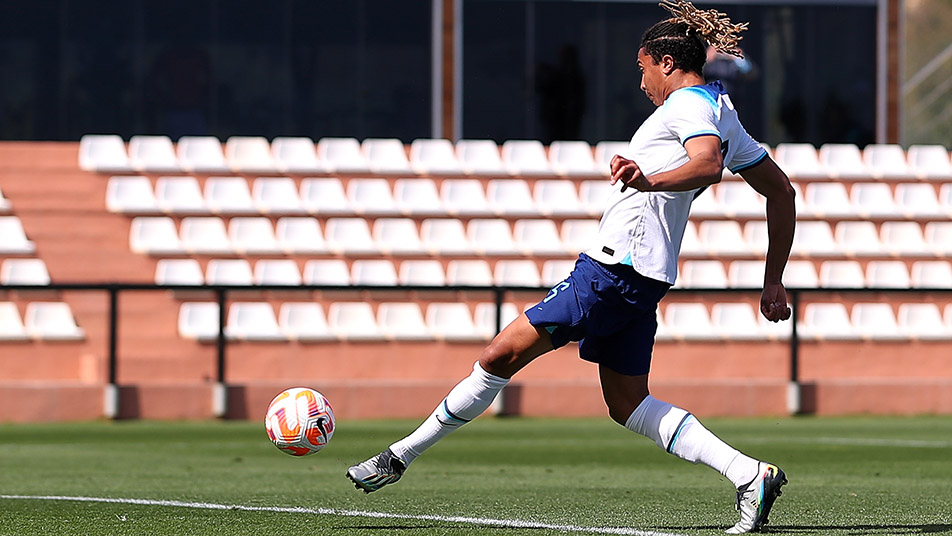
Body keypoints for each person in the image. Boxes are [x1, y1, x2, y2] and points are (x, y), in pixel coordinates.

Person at [346, 0, 796, 533]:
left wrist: (648, 180)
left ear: (665, 63)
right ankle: (748, 475)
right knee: (627, 403)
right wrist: (773, 278)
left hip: (614, 270)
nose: (643, 82)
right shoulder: (723, 110)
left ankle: (398, 456)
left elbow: (707, 165)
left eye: (643, 69)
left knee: (498, 355)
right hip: (643, 278)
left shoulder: (686, 108)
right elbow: (781, 192)